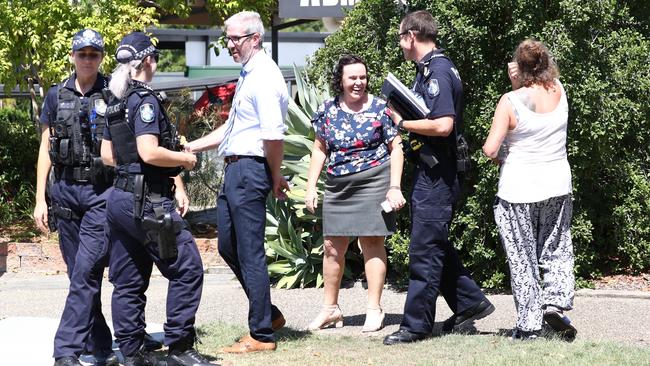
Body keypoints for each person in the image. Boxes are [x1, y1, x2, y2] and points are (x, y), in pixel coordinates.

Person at [100, 32, 216, 366]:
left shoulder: (115, 101)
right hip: (149, 200)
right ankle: (179, 347)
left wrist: (137, 166)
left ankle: (132, 352)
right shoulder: (146, 101)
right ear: (148, 61)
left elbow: (107, 155)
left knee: (129, 279)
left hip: (120, 200)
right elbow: (149, 151)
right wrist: (184, 159)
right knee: (188, 269)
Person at [383, 10, 495, 345]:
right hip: (431, 172)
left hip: (437, 174)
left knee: (423, 249)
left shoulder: (438, 71)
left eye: (401, 38)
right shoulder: (430, 70)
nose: (400, 45)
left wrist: (401, 123)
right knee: (434, 243)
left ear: (412, 35)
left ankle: (416, 326)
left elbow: (443, 124)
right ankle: (469, 302)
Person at [184, 11, 289, 354]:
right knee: (229, 247)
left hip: (250, 170)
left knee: (250, 252)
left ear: (255, 38)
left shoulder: (265, 76)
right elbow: (233, 130)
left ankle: (261, 335)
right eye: (227, 38)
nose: (229, 44)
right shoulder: (248, 74)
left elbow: (273, 136)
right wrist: (191, 146)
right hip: (235, 169)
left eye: (235, 39)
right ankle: (269, 315)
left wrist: (275, 176)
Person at [33, 28, 119, 366]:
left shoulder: (114, 93)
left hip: (100, 193)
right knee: (79, 275)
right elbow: (46, 148)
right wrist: (41, 198)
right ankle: (99, 343)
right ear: (73, 56)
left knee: (86, 272)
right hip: (65, 193)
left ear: (101, 58)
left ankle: (65, 351)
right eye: (82, 54)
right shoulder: (56, 95)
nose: (87, 59)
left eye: (93, 54)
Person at [482, 39, 577, 341]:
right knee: (557, 247)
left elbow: (490, 148)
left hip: (519, 189)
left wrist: (513, 87)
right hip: (557, 183)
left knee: (522, 257)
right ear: (546, 63)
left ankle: (529, 324)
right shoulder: (560, 90)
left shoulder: (509, 101)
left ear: (519, 66)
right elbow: (537, 99)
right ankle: (555, 303)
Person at [304, 54, 405, 333]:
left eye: (362, 77)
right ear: (341, 80)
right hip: (338, 185)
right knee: (331, 248)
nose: (359, 82)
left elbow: (397, 148)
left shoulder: (380, 109)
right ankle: (330, 309)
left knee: (372, 242)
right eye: (353, 78)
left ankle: (374, 308)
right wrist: (311, 186)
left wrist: (394, 186)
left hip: (374, 180)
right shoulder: (327, 110)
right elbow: (320, 149)